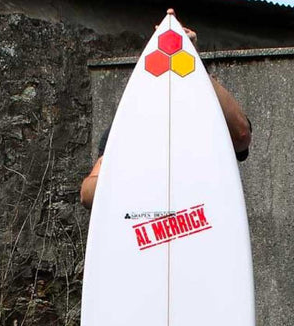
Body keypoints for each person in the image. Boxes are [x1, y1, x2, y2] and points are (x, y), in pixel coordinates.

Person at [80, 8, 251, 209]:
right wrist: (127, 165)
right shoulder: (131, 125)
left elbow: (241, 136)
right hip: (151, 230)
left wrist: (194, 63)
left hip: (201, 225)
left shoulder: (206, 115)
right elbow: (87, 195)